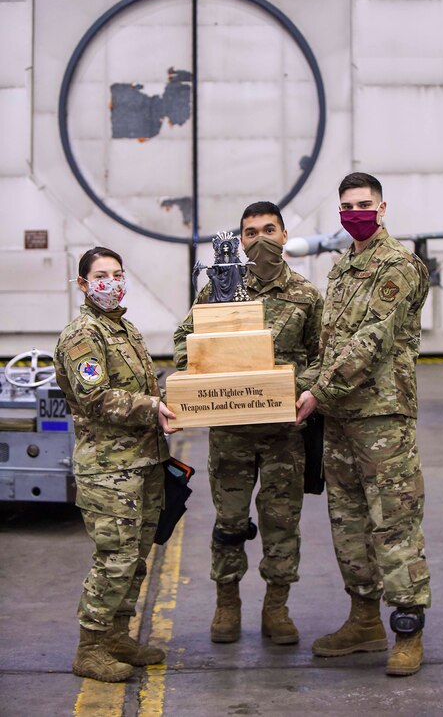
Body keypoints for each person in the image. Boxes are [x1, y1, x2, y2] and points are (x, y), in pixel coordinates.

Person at [296, 173, 431, 677]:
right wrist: (293, 388)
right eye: (347, 206)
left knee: (393, 522)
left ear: (382, 207)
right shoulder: (341, 270)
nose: (355, 212)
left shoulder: (399, 266)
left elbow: (370, 342)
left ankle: (408, 628)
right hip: (340, 421)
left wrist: (315, 393)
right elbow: (330, 348)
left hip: (382, 417)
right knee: (348, 524)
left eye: (363, 204)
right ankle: (363, 620)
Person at [174, 202, 323, 645]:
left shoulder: (305, 295)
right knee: (229, 522)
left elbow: (321, 356)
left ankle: (276, 607)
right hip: (231, 432)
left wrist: (303, 390)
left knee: (282, 523)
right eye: (249, 232)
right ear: (239, 240)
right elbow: (185, 339)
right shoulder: (219, 287)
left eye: (268, 230)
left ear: (284, 234)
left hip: (284, 433)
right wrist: (200, 373)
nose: (259, 239)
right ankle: (227, 603)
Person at [54, 246, 177, 683]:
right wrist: (154, 407)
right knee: (115, 559)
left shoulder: (124, 329)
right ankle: (89, 647)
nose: (112, 282)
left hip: (142, 463)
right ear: (84, 284)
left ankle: (117, 636)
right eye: (101, 275)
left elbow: (142, 387)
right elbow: (95, 397)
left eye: (118, 273)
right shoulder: (83, 335)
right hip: (108, 470)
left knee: (137, 557)